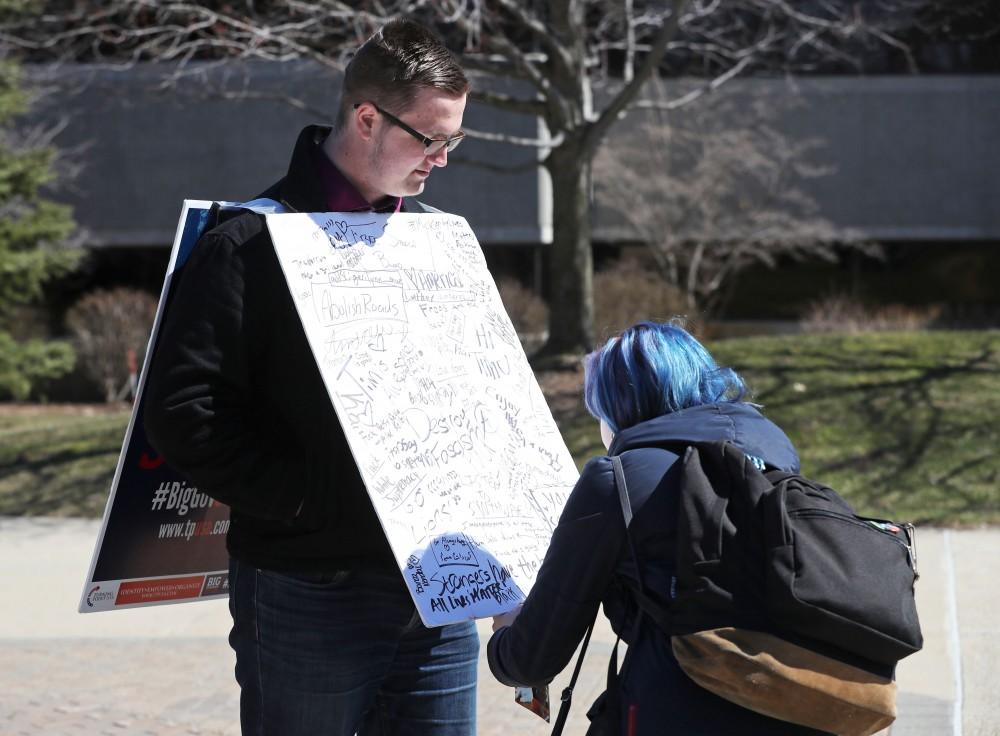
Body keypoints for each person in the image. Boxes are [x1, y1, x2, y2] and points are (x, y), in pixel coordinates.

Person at [143, 19, 477, 736]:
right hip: (308, 588)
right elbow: (184, 412)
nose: (442, 161)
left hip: (439, 592)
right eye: (431, 139)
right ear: (366, 118)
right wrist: (304, 498)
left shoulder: (438, 245)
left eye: (453, 142)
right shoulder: (248, 242)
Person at [487, 320, 829, 735]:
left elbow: (532, 657)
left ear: (617, 408)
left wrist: (506, 635)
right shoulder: (774, 464)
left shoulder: (617, 481)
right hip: (795, 713)